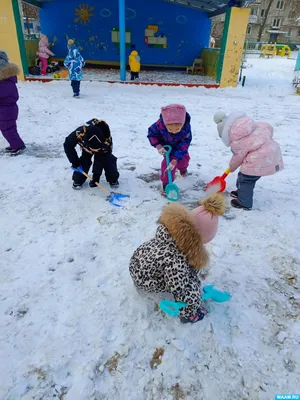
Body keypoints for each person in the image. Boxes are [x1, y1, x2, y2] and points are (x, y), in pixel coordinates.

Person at [129, 193, 225, 324]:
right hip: (145, 279)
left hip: (138, 264)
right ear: (196, 239)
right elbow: (180, 287)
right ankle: (189, 315)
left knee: (187, 272)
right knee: (188, 286)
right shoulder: (175, 260)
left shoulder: (170, 235)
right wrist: (192, 302)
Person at [214, 111, 284, 210]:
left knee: (246, 180)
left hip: (259, 160)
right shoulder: (252, 126)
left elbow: (238, 157)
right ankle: (242, 192)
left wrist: (231, 167)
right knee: (244, 176)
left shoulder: (237, 141)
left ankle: (244, 202)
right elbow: (268, 127)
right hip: (271, 154)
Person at [147, 104, 192, 195]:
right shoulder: (159, 125)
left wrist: (176, 159)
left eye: (177, 129)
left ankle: (183, 169)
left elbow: (185, 143)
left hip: (180, 148)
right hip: (167, 148)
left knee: (184, 160)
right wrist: (158, 146)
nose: (174, 131)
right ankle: (166, 185)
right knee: (167, 166)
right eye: (170, 129)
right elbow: (152, 134)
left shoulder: (186, 128)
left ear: (182, 123)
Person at [64, 118, 119, 190]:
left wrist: (96, 176)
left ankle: (113, 179)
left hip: (103, 150)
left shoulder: (106, 141)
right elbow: (68, 145)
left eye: (96, 149)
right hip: (86, 147)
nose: (94, 151)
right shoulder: (80, 133)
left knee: (107, 160)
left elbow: (100, 160)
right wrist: (75, 162)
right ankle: (78, 180)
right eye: (93, 149)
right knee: (85, 160)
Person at [0, 51, 26, 156]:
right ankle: (15, 143)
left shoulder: (5, 82)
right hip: (5, 109)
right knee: (8, 128)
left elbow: (5, 96)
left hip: (7, 110)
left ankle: (18, 145)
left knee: (8, 129)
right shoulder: (6, 80)